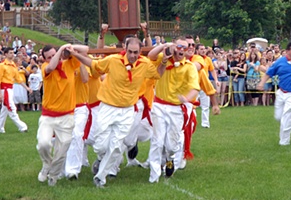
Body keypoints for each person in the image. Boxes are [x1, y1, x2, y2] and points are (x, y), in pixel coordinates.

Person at [70, 37, 159, 188]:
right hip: (107, 107)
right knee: (101, 146)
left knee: (117, 146)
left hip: (127, 110)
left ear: (140, 51)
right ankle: (100, 158)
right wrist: (76, 55)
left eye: (136, 52)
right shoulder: (113, 60)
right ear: (125, 49)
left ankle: (101, 177)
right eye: (130, 52)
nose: (132, 55)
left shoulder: (145, 64)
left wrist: (164, 60)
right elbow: (94, 64)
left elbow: (158, 74)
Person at [146, 38, 200, 183]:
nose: (182, 49)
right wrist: (164, 46)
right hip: (159, 105)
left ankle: (169, 158)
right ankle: (154, 175)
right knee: (157, 141)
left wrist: (186, 99)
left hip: (176, 109)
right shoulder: (163, 58)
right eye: (179, 46)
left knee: (171, 145)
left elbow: (195, 87)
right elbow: (150, 55)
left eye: (185, 47)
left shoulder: (189, 67)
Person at [37, 43, 87, 186]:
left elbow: (85, 50)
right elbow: (51, 66)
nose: (54, 58)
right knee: (43, 144)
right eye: (49, 57)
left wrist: (69, 47)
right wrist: (59, 51)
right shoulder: (45, 69)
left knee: (63, 147)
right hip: (48, 115)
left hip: (67, 115)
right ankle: (47, 164)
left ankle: (53, 175)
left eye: (54, 55)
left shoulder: (70, 64)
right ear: (45, 59)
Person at [0, 48, 30, 133]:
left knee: (5, 109)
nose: (12, 54)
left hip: (10, 88)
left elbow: (18, 79)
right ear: (5, 54)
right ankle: (22, 126)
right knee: (11, 107)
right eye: (10, 53)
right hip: (5, 89)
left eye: (12, 53)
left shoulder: (14, 66)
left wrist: (27, 88)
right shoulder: (2, 65)